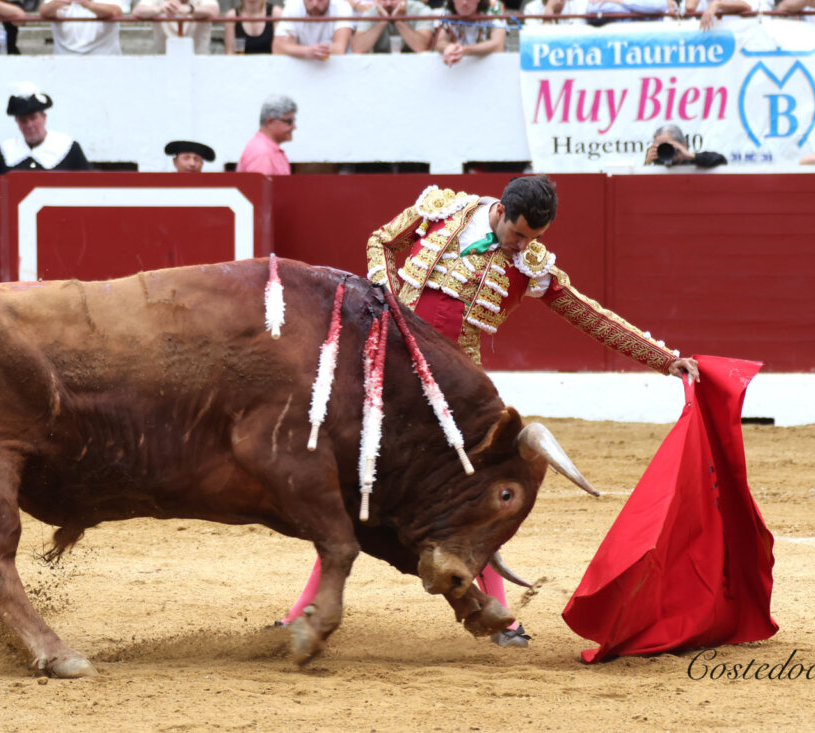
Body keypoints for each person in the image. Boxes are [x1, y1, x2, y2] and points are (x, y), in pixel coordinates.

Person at [283, 175, 701, 647]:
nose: (522, 245)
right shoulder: (443, 209)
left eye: (532, 239)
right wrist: (386, 294)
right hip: (389, 372)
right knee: (355, 482)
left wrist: (663, 359)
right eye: (518, 234)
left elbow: (586, 313)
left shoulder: (529, 264)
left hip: (455, 393)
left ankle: (502, 616)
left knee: (478, 497)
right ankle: (305, 607)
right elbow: (381, 239)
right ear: (500, 211)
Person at [0, 85, 91, 172]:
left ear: (44, 117)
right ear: (17, 122)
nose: (29, 125)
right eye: (23, 120)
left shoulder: (68, 147)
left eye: (33, 118)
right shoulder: (7, 151)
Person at [38, 0, 130, 54]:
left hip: (105, 62)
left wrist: (87, 4)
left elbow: (116, 12)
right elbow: (44, 11)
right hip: (64, 62)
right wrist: (60, 2)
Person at [431, 0, 505, 67]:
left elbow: (498, 45)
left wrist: (464, 50)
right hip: (458, 67)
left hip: (490, 66)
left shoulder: (494, 6)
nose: (464, 2)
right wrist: (449, 48)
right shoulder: (448, 8)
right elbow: (440, 42)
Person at [272, 0, 355, 59]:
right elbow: (278, 47)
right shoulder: (292, 6)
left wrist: (305, 51)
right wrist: (307, 51)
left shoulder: (342, 6)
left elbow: (339, 49)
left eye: (320, 0)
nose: (315, 4)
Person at [236, 95, 295, 174]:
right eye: (289, 121)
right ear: (270, 121)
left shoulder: (267, 150)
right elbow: (259, 182)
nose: (294, 127)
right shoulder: (262, 153)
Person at [133, 0, 220, 54]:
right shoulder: (159, 3)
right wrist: (159, 9)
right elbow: (137, 11)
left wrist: (190, 9)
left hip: (199, 60)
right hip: (163, 60)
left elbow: (214, 10)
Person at [352, 0, 437, 54]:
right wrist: (383, 21)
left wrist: (398, 21)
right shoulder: (370, 13)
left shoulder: (420, 10)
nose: (388, 3)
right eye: (384, 0)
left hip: (416, 65)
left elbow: (422, 47)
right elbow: (358, 49)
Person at [643, 124, 727, 168]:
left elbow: (721, 160)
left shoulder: (692, 161)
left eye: (668, 145)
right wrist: (647, 164)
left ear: (683, 144)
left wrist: (690, 155)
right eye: (660, 146)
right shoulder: (657, 163)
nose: (665, 150)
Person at [682, 0, 769, 31]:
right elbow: (689, 7)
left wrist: (717, 4)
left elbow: (747, 6)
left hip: (743, 42)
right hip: (713, 46)